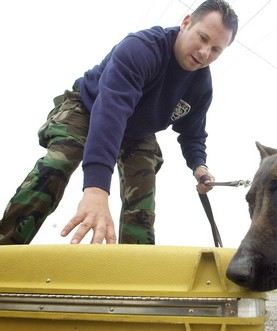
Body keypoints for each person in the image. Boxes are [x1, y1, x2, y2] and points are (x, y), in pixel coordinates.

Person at [0, 0, 238, 245]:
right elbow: (111, 113)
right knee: (59, 162)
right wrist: (96, 189)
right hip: (90, 107)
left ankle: (135, 268)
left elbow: (193, 132)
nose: (204, 53)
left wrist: (199, 166)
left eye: (216, 50)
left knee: (143, 192)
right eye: (202, 38)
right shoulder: (142, 49)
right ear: (186, 22)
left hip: (138, 132)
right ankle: (6, 245)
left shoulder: (201, 86)